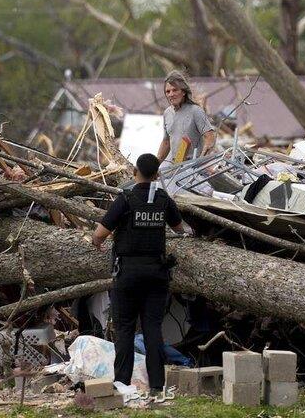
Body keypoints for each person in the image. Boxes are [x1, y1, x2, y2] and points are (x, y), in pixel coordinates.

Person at [92, 153, 184, 394]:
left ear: (134, 172)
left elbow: (100, 234)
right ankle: (157, 384)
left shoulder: (126, 198)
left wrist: (97, 241)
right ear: (157, 175)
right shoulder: (163, 199)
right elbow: (179, 228)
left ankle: (122, 383)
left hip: (127, 274)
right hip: (157, 272)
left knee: (124, 328)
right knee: (152, 328)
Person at [157, 71, 216, 164]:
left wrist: (201, 160)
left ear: (183, 91)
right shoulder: (167, 113)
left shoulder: (195, 111)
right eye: (168, 91)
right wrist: (155, 166)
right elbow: (166, 142)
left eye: (175, 90)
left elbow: (210, 137)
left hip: (193, 168)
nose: (171, 94)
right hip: (175, 167)